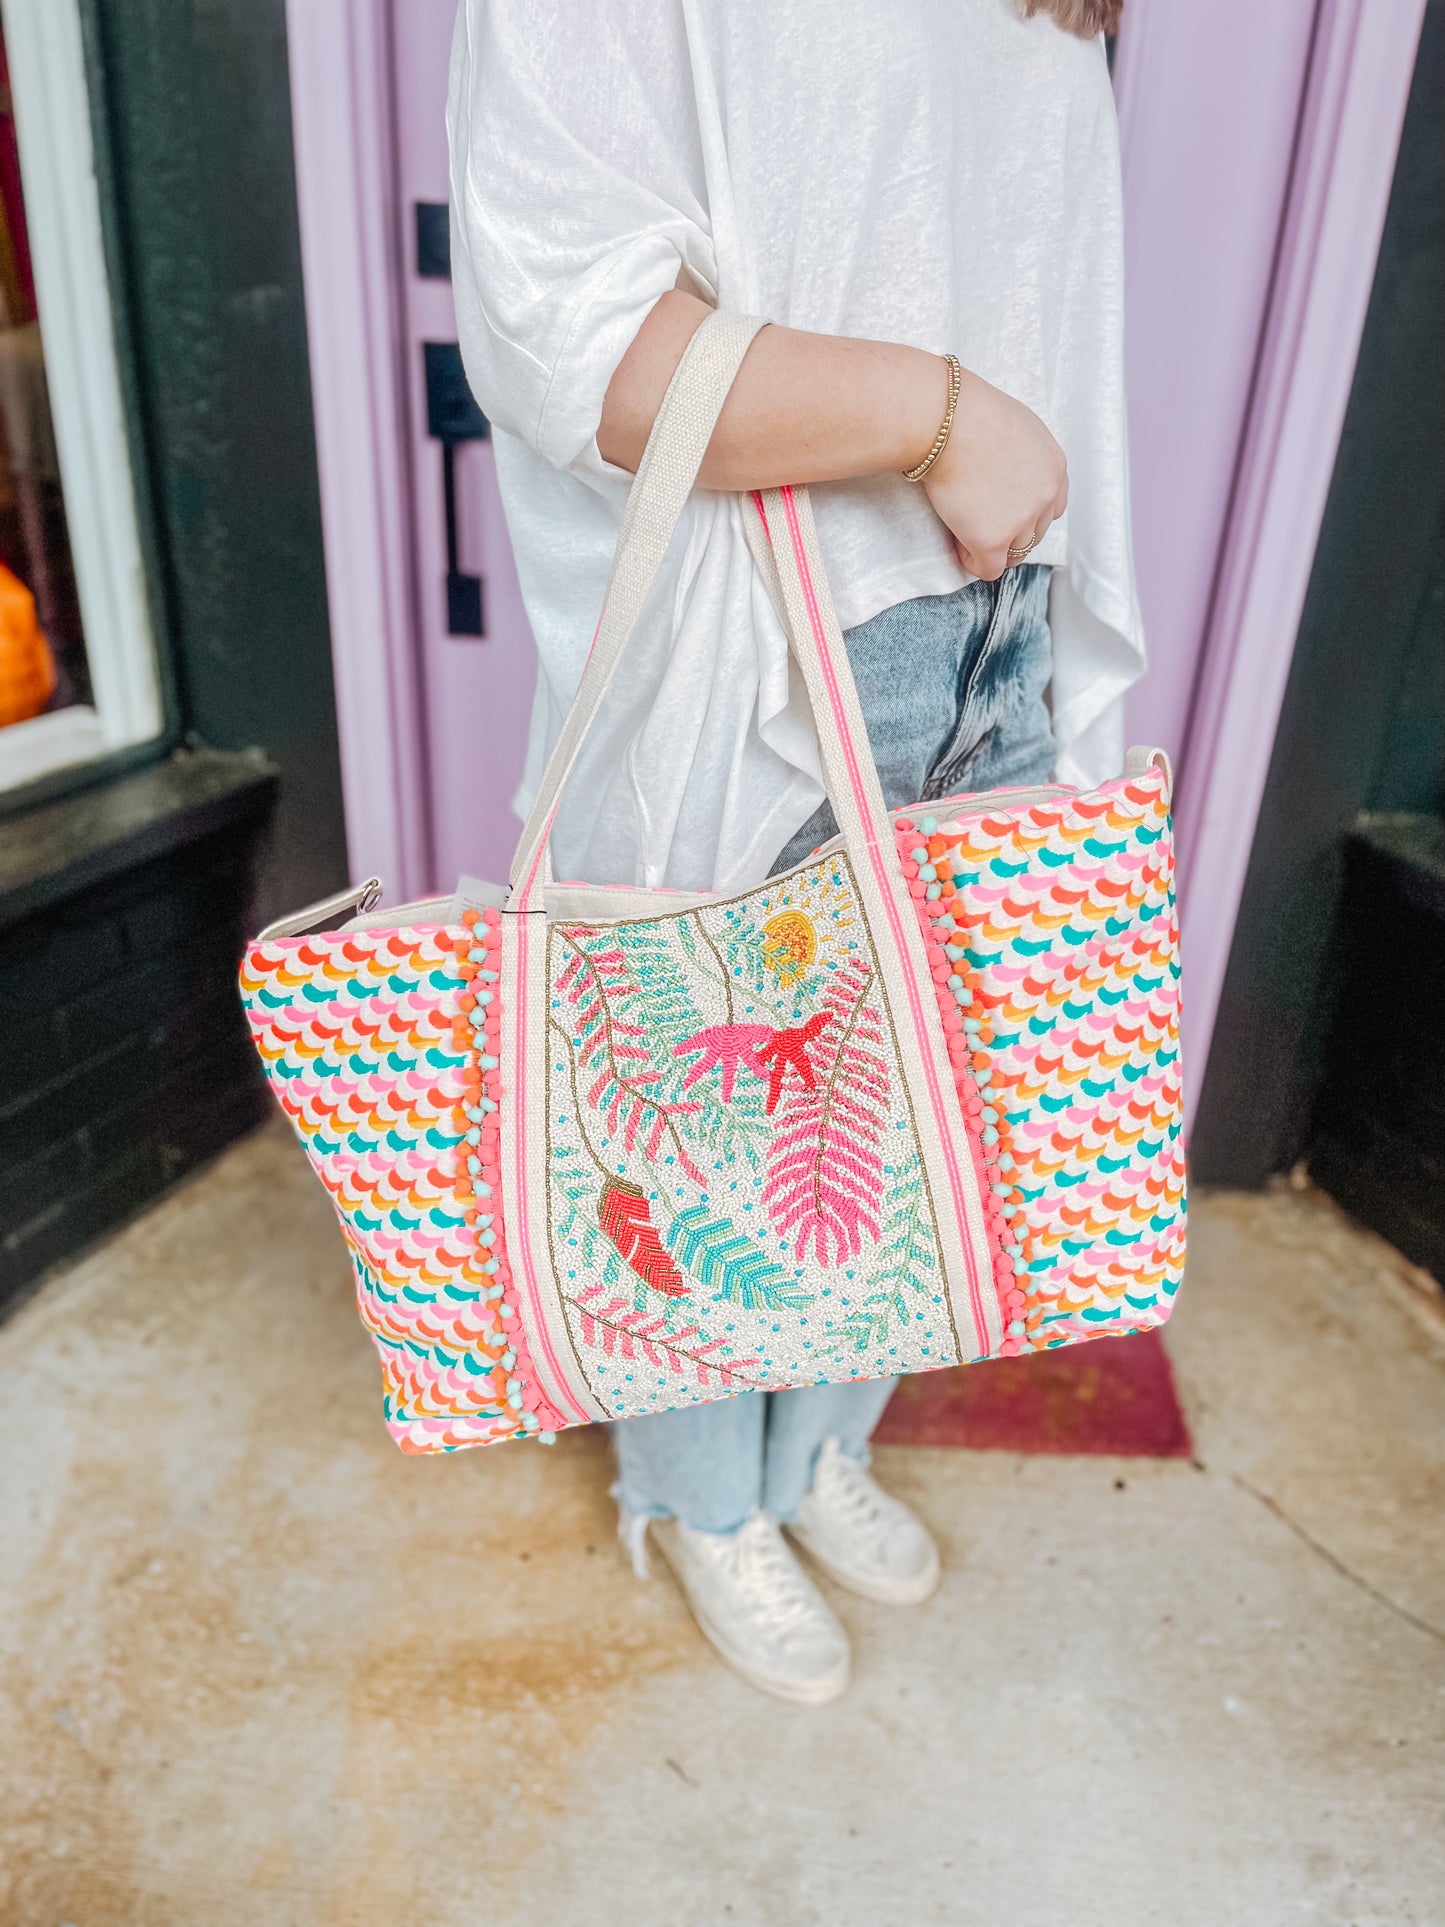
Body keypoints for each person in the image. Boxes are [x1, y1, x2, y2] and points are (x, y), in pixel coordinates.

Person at [448, 0, 1140, 1703]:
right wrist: (937, 410)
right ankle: (699, 1499)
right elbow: (568, 328)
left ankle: (813, 1446)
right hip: (765, 640)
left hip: (1004, 617)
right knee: (687, 1131)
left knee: (923, 1127)